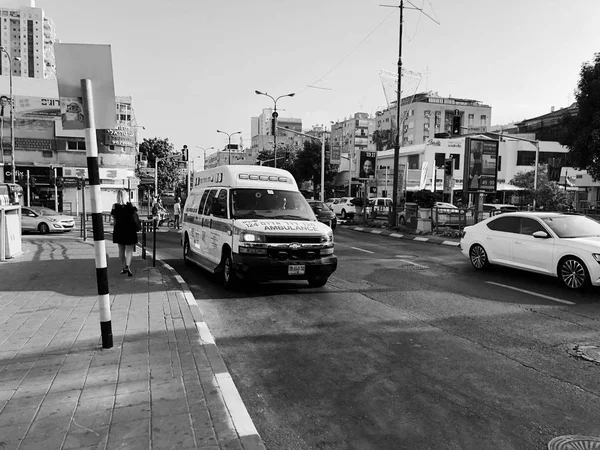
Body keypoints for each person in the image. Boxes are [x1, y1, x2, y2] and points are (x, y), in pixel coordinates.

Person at [111, 190, 141, 277]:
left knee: (121, 249)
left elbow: (113, 217)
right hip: (130, 230)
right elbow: (136, 213)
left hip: (119, 229)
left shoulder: (114, 206)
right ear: (126, 196)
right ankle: (128, 266)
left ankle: (123, 267)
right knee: (129, 250)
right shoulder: (130, 205)